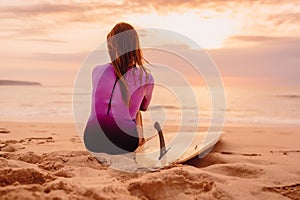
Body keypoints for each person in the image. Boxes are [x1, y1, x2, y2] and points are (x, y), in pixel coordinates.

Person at [84, 22, 154, 155]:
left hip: (92, 140)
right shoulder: (146, 78)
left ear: (111, 46)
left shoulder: (96, 71)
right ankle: (141, 142)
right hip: (124, 143)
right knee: (136, 112)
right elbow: (143, 108)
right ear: (135, 47)